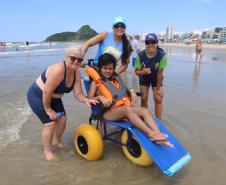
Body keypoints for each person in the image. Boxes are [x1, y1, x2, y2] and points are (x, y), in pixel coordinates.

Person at [27, 46, 98, 161]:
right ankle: (47, 151)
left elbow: (78, 93)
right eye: (73, 58)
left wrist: (86, 100)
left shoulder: (77, 73)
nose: (76, 61)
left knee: (62, 119)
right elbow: (47, 91)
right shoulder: (58, 70)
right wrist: (48, 109)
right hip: (38, 95)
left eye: (79, 60)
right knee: (50, 123)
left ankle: (56, 141)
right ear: (66, 57)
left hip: (53, 97)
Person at [88, 53, 173, 147]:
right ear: (100, 68)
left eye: (110, 69)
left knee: (144, 110)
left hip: (123, 109)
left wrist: (132, 91)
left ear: (113, 69)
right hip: (108, 112)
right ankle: (151, 134)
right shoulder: (95, 83)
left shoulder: (116, 78)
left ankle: (158, 135)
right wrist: (100, 97)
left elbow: (125, 89)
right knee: (127, 109)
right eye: (105, 68)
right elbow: (89, 98)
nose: (108, 71)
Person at [135, 33, 167, 119]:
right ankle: (145, 118)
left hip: (156, 78)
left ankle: (158, 121)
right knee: (144, 98)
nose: (150, 45)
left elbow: (160, 73)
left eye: (153, 42)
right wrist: (143, 72)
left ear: (157, 43)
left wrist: (158, 89)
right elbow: (136, 72)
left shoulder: (162, 55)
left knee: (158, 98)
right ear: (145, 43)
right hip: (144, 78)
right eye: (147, 42)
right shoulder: (140, 55)